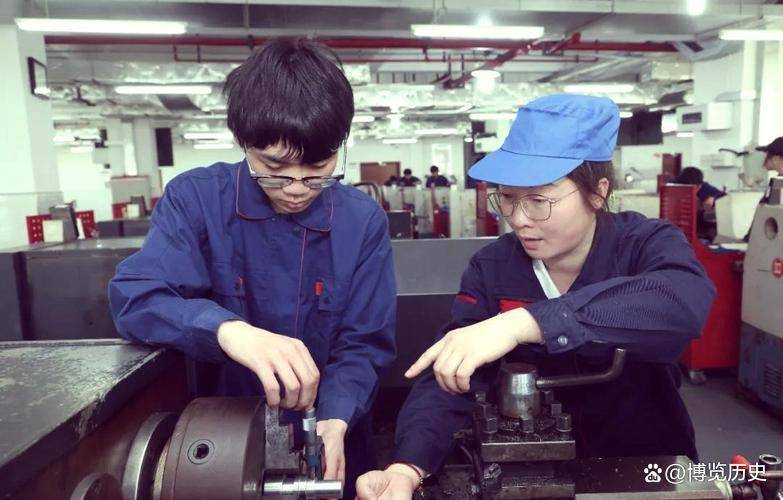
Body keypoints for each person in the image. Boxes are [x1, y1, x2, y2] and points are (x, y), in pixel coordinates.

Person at [356, 94, 716, 499]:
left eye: (539, 200)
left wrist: (527, 323)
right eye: (508, 198)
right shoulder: (492, 268)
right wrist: (408, 466)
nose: (518, 218)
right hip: (528, 472)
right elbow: (452, 374)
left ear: (597, 193)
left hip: (645, 465)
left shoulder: (644, 244)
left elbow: (683, 300)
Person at [108, 38, 396, 500]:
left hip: (335, 438)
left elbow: (364, 343)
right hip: (216, 448)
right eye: (275, 168)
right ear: (244, 142)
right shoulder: (197, 201)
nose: (297, 188)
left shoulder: (362, 222)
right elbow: (137, 297)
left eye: (318, 167)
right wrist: (227, 330)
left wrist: (337, 416)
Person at [673, 166, 724, 241]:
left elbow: (723, 196)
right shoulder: (677, 183)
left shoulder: (706, 189)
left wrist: (713, 198)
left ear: (699, 186)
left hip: (700, 227)